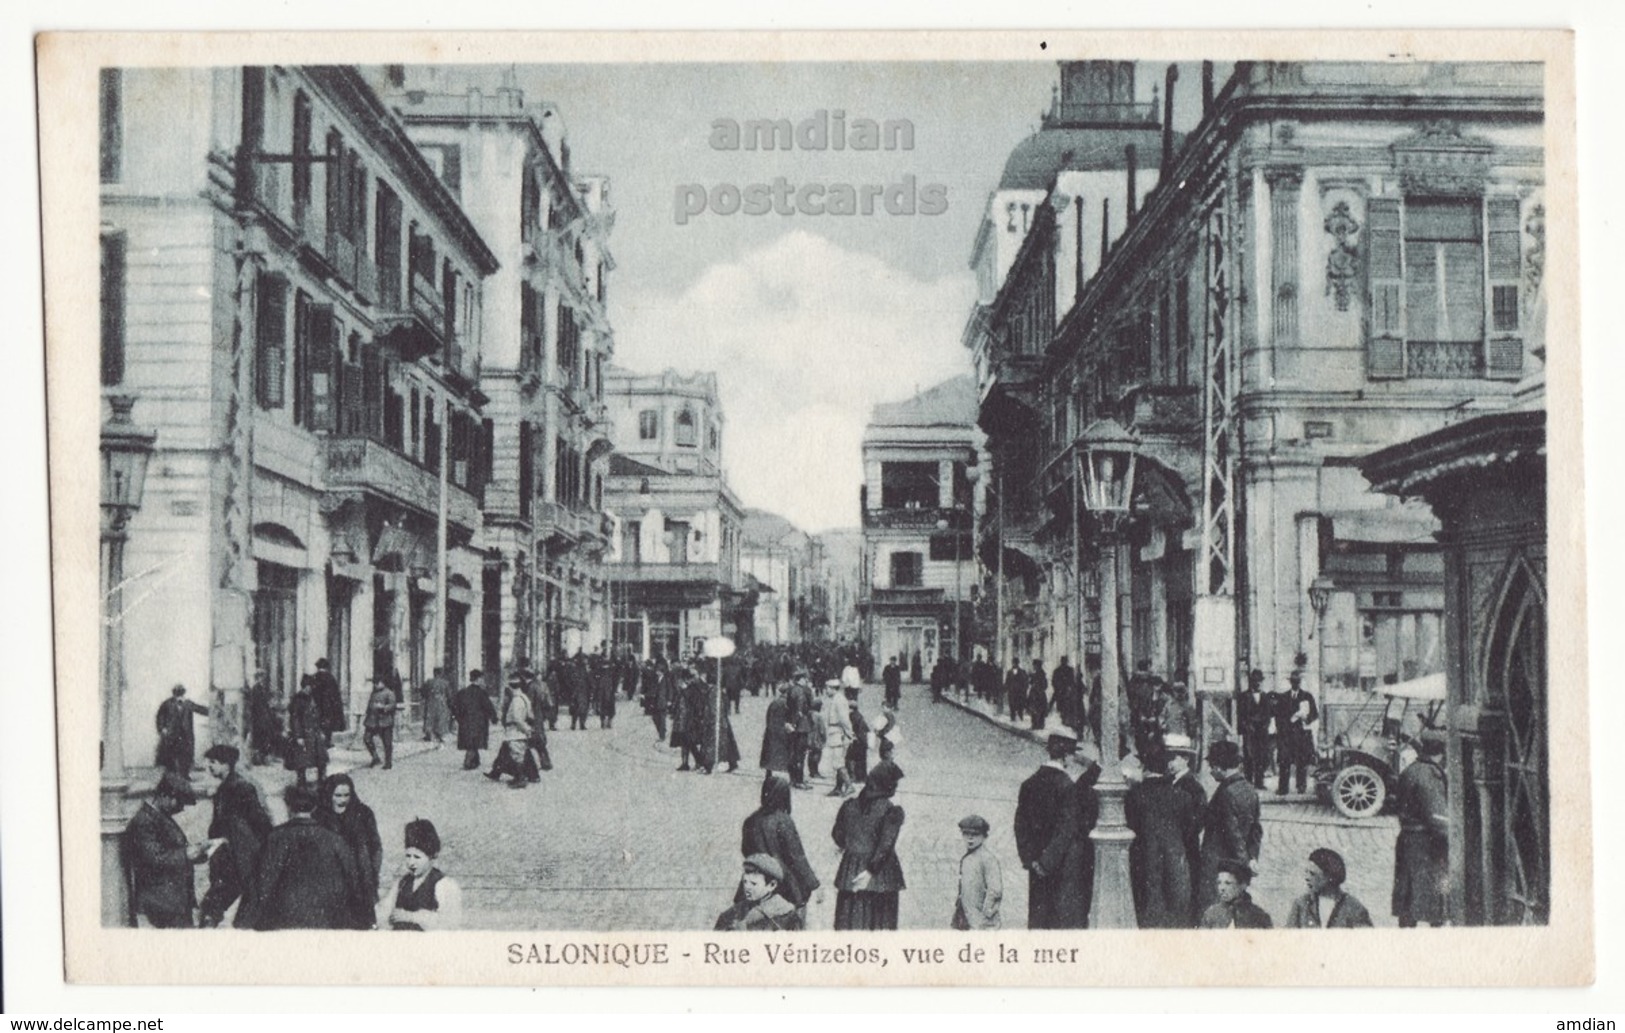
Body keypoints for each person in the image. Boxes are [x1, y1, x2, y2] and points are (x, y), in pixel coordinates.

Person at [238, 784, 370, 931]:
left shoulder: (275, 838)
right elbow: (353, 881)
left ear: (288, 806)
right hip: (327, 919)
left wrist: (244, 922)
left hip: (283, 919)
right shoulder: (334, 839)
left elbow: (263, 882)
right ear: (314, 808)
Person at [1014, 733, 1090, 929]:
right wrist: (1047, 863)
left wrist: (1031, 860)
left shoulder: (1029, 784)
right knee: (1057, 919)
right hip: (1060, 866)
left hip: (1035, 864)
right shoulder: (1067, 787)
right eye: (1072, 755)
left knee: (1038, 918)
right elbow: (1066, 829)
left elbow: (1020, 826)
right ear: (1065, 756)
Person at [122, 772, 213, 927]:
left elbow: (171, 850)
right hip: (161, 904)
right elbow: (154, 858)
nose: (181, 808)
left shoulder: (159, 817)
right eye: (179, 803)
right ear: (165, 796)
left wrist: (198, 852)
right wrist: (187, 854)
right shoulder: (144, 821)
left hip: (175, 902)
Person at [197, 744, 271, 928]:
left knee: (225, 893)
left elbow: (259, 820)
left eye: (213, 763)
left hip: (238, 851)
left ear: (226, 764)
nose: (209, 767)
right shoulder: (227, 786)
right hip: (228, 849)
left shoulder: (240, 787)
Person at [1125, 748, 1198, 928]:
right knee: (1174, 912)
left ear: (1144, 768)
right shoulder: (1182, 796)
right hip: (1175, 861)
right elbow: (1191, 831)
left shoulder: (1134, 795)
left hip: (1142, 861)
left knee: (1146, 910)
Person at [831, 759, 906, 931]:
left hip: (850, 869)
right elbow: (885, 845)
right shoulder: (891, 810)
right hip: (882, 874)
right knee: (880, 925)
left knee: (850, 922)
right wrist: (871, 870)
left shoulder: (848, 806)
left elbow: (838, 836)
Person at [740, 774, 823, 920]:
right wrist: (813, 884)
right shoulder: (783, 821)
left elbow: (745, 850)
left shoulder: (750, 820)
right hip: (785, 883)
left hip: (757, 879)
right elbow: (796, 857)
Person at [1194, 740, 1263, 917]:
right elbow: (1256, 829)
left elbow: (1233, 833)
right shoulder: (1250, 789)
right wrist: (1252, 857)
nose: (1210, 771)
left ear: (1220, 766)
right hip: (1237, 863)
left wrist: (1245, 862)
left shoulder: (1225, 793)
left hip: (1217, 863)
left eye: (1212, 766)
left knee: (1214, 910)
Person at [1391, 737, 1449, 928]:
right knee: (1434, 899)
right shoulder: (1430, 776)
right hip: (1426, 846)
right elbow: (1438, 818)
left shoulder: (1412, 770)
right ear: (1442, 754)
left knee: (1407, 897)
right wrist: (1453, 839)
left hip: (1408, 840)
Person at [316, 773, 384, 917]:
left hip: (361, 879)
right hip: (332, 880)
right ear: (328, 795)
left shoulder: (364, 813)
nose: (343, 800)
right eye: (338, 795)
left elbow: (376, 846)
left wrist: (372, 873)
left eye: (346, 795)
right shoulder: (319, 816)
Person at [381, 818, 463, 931]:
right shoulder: (402, 883)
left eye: (417, 857)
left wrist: (411, 917)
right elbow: (384, 911)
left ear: (431, 857)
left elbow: (450, 924)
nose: (411, 863)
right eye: (408, 856)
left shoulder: (443, 884)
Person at [1165, 735, 1207, 922]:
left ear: (1186, 759)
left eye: (1174, 758)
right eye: (1168, 758)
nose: (1170, 763)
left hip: (1186, 850)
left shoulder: (1194, 787)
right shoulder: (1168, 782)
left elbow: (1196, 823)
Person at [1285, 847, 1374, 928]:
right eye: (1306, 872)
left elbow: (1366, 941)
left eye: (1312, 874)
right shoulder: (1301, 905)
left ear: (1329, 877)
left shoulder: (1354, 909)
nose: (1307, 878)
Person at [713, 854, 804, 932]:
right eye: (745, 882)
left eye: (753, 884)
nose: (747, 887)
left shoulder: (786, 915)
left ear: (771, 885)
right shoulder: (732, 914)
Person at [952, 815, 1004, 930]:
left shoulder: (988, 859)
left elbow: (995, 890)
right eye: (966, 834)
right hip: (966, 918)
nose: (970, 838)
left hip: (983, 923)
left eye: (975, 834)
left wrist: (986, 914)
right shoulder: (967, 858)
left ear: (984, 836)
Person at [486, 675, 539, 788]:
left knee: (517, 755)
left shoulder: (516, 700)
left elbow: (517, 719)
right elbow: (530, 715)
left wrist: (526, 730)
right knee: (509, 751)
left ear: (510, 687)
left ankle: (521, 779)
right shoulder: (524, 698)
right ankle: (497, 772)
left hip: (515, 732)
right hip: (517, 732)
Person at [1276, 670, 1319, 795]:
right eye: (1293, 681)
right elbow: (1278, 716)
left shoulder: (1307, 696)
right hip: (1287, 735)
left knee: (1301, 762)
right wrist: (1286, 724)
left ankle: (1301, 787)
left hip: (1302, 735)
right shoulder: (1283, 697)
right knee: (1284, 762)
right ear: (1290, 682)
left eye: (1297, 681)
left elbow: (1315, 714)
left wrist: (1306, 718)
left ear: (1300, 682)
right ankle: (1283, 789)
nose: (1295, 684)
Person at [1199, 858, 1273, 929]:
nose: (1222, 888)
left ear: (1242, 885)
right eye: (1219, 883)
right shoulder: (1211, 914)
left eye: (1228, 883)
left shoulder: (1259, 917)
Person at [155, 684, 209, 778]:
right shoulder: (167, 703)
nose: (179, 695)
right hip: (172, 734)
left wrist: (214, 710)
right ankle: (171, 777)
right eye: (177, 692)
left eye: (180, 692)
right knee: (171, 755)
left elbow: (200, 709)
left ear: (183, 693)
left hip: (186, 735)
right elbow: (160, 716)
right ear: (174, 693)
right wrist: (162, 728)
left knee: (186, 755)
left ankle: (185, 775)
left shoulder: (188, 703)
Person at [284, 676, 328, 786]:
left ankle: (322, 780)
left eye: (311, 686)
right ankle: (301, 781)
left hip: (315, 733)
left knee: (321, 758)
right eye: (308, 686)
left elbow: (319, 716)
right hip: (304, 734)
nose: (310, 689)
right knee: (302, 761)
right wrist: (298, 736)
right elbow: (295, 719)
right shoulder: (298, 699)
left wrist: (322, 731)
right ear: (304, 687)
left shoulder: (313, 698)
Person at [451, 670, 497, 771]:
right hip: (479, 722)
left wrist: (457, 718)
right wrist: (494, 718)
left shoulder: (462, 692)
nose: (483, 681)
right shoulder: (482, 693)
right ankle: (468, 762)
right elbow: (488, 706)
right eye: (482, 678)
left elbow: (454, 706)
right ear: (479, 679)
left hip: (465, 722)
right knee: (473, 742)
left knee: (471, 741)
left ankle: (475, 761)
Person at [1236, 669, 1272, 789]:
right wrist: (1246, 727)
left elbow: (1268, 715)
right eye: (1254, 681)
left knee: (1261, 756)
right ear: (1251, 682)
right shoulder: (1243, 696)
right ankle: (1248, 781)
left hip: (1261, 732)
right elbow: (1240, 715)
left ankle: (1259, 782)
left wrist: (1265, 726)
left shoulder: (1265, 697)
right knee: (1249, 756)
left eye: (1259, 681)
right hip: (1249, 731)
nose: (1257, 683)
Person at [822, 681, 856, 797]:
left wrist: (849, 734)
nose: (826, 690)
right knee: (837, 761)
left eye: (827, 688)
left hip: (838, 734)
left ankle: (849, 785)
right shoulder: (835, 699)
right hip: (834, 732)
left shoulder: (839, 700)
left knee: (838, 762)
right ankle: (838, 787)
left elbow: (844, 719)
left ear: (833, 688)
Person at [246, 669, 280, 767]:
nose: (263, 679)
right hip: (259, 718)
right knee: (260, 739)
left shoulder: (259, 688)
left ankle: (261, 759)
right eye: (262, 677)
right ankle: (259, 759)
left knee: (263, 738)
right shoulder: (256, 688)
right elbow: (256, 705)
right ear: (258, 677)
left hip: (261, 717)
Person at [786, 674, 815, 788]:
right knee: (801, 755)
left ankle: (793, 779)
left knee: (793, 753)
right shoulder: (803, 691)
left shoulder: (791, 690)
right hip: (802, 726)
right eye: (805, 679)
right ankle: (799, 781)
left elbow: (788, 707)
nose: (806, 681)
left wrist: (791, 723)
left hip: (792, 726)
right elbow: (802, 708)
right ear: (800, 680)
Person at [363, 676, 399, 769]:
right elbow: (369, 705)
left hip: (385, 721)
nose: (375, 685)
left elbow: (393, 705)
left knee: (387, 743)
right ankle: (375, 757)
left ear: (383, 683)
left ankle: (388, 762)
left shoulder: (389, 693)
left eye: (377, 683)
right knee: (367, 739)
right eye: (374, 683)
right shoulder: (373, 693)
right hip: (372, 721)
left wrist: (383, 707)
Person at [309, 658, 346, 747]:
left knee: (317, 723)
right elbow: (335, 694)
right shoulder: (330, 678)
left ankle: (318, 742)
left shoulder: (313, 678)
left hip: (317, 705)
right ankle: (327, 742)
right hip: (328, 706)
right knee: (327, 725)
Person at [760, 682, 794, 776]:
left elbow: (768, 717)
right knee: (779, 754)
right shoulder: (785, 704)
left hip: (771, 731)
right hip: (780, 732)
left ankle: (769, 773)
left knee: (770, 753)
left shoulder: (775, 702)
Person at [421, 665, 453, 745]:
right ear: (441, 673)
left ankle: (429, 735)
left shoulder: (429, 682)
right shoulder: (445, 683)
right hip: (441, 703)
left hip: (430, 702)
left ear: (434, 673)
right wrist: (449, 703)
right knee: (441, 718)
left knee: (429, 718)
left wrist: (427, 697)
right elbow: (449, 695)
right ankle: (440, 735)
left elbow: (423, 692)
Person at [844, 686, 870, 786]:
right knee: (861, 759)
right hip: (863, 740)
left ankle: (855, 776)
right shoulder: (859, 715)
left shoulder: (852, 716)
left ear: (851, 709)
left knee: (851, 758)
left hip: (858, 741)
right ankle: (862, 777)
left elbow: (853, 729)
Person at [1051, 656, 1080, 734]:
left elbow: (1071, 682)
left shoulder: (1064, 670)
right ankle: (1064, 720)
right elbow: (1054, 682)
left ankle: (1065, 721)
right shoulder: (1059, 671)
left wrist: (1067, 689)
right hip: (1062, 692)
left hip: (1065, 693)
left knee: (1065, 708)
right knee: (1063, 708)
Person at [1027, 659, 1049, 731]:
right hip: (1036, 694)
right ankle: (1036, 725)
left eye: (1034, 665)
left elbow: (1045, 685)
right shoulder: (1037, 674)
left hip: (1038, 695)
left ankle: (1038, 725)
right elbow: (1031, 682)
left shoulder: (1041, 674)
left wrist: (1037, 687)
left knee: (1038, 710)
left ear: (1037, 666)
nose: (1033, 666)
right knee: (1035, 710)